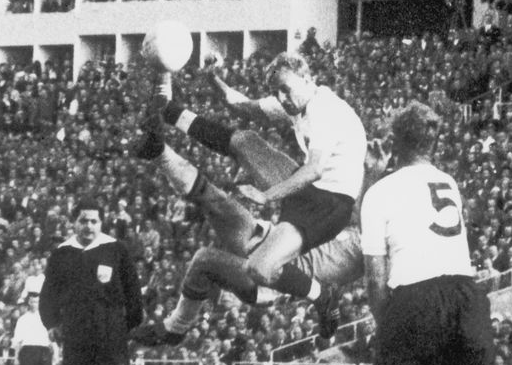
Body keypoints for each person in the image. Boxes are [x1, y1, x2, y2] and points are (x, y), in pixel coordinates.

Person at [129, 66, 385, 346]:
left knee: (204, 258)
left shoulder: (372, 248)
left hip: (271, 279)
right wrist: (215, 80)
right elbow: (246, 107)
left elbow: (373, 267)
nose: (282, 96)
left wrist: (327, 334)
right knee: (228, 177)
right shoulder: (308, 104)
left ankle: (175, 328)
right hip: (279, 229)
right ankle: (162, 137)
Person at [155, 52, 366, 305]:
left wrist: (267, 196)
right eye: (277, 92)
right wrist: (213, 79)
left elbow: (314, 170)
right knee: (245, 142)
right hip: (312, 189)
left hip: (329, 203)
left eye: (285, 90)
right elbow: (241, 105)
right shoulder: (299, 99)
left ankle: (318, 297)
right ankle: (169, 111)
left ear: (308, 79)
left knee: (261, 268)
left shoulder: (325, 110)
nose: (282, 99)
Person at [361, 102, 495, 365]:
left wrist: (392, 327)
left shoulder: (380, 191)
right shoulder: (449, 182)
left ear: (394, 141)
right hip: (466, 296)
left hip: (415, 298)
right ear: (432, 142)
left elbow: (374, 279)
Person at [39, 198, 143, 365]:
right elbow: (49, 292)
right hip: (77, 328)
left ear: (101, 223)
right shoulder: (62, 253)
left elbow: (133, 290)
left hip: (110, 326)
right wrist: (51, 323)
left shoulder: (116, 249)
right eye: (83, 221)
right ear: (74, 222)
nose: (88, 226)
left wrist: (131, 324)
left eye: (94, 221)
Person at [13, 293, 55, 365]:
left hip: (43, 351)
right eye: (32, 301)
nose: (34, 304)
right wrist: (16, 357)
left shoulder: (47, 318)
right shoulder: (23, 319)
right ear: (29, 302)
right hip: (28, 351)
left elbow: (52, 338)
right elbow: (17, 340)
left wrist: (55, 354)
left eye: (36, 302)